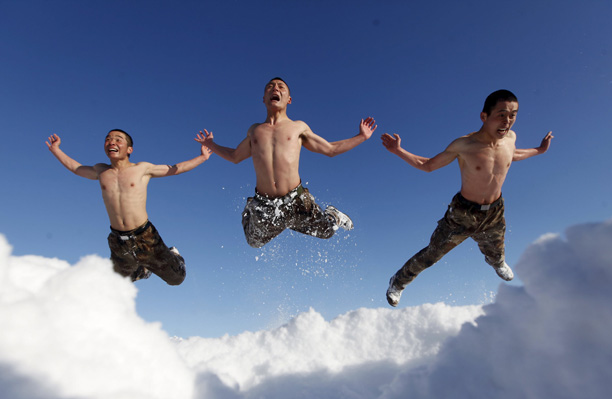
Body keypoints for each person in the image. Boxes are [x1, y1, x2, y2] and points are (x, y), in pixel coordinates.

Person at [381, 89, 553, 307]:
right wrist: (398, 151)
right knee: (432, 254)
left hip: (494, 211)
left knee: (497, 251)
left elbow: (513, 154)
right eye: (501, 114)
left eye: (513, 115)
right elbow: (428, 165)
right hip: (463, 214)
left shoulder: (511, 138)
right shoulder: (465, 145)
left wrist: (539, 150)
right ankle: (398, 282)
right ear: (484, 116)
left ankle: (497, 263)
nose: (507, 121)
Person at [195, 77, 376, 248]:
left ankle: (332, 215)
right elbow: (235, 156)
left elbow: (330, 149)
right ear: (264, 99)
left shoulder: (298, 127)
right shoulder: (255, 130)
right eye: (270, 87)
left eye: (281, 87)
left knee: (327, 232)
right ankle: (252, 209)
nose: (275, 88)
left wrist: (361, 137)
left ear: (289, 99)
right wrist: (211, 145)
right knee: (254, 242)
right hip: (265, 205)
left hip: (295, 200)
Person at [46, 130, 211, 285]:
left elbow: (175, 169)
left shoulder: (142, 169)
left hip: (144, 236)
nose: (112, 142)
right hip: (118, 238)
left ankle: (174, 255)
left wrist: (202, 157)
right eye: (108, 139)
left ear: (129, 149)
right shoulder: (101, 170)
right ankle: (143, 270)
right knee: (118, 283)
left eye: (118, 140)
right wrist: (56, 150)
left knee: (176, 279)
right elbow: (76, 168)